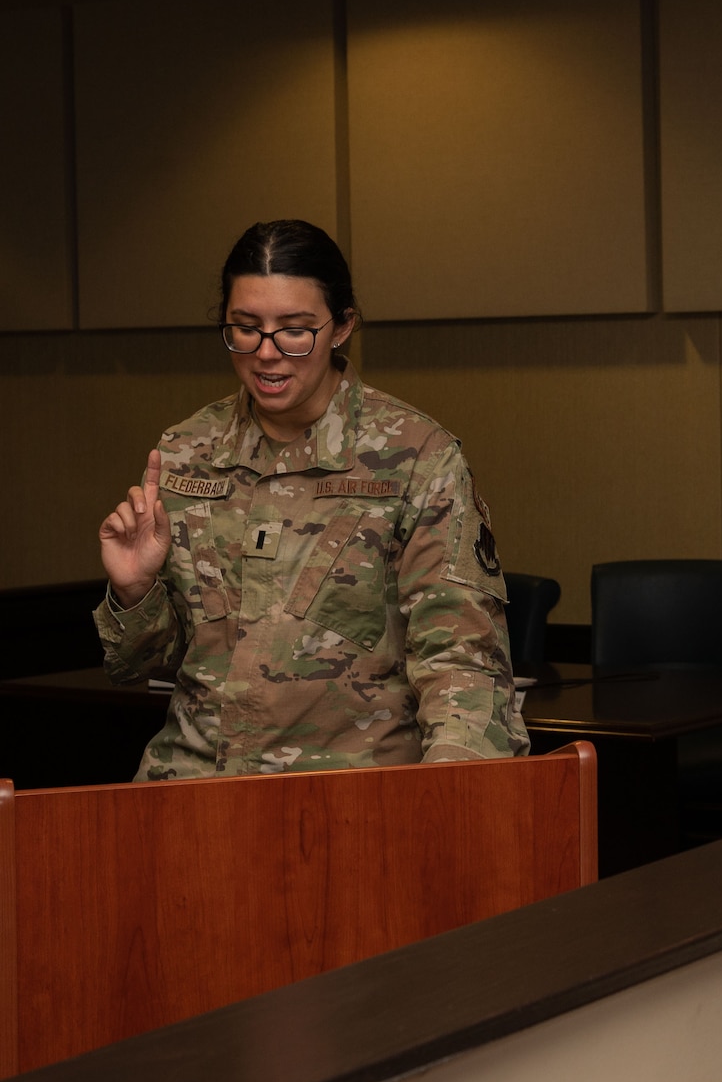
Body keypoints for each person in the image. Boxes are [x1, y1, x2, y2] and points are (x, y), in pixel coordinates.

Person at [95, 219, 527, 779]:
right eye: (245, 328)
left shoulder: (417, 458)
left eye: (295, 330)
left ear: (342, 325)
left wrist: (447, 802)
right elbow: (142, 667)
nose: (267, 354)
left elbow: (463, 665)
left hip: (348, 797)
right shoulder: (185, 452)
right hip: (194, 793)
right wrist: (135, 592)